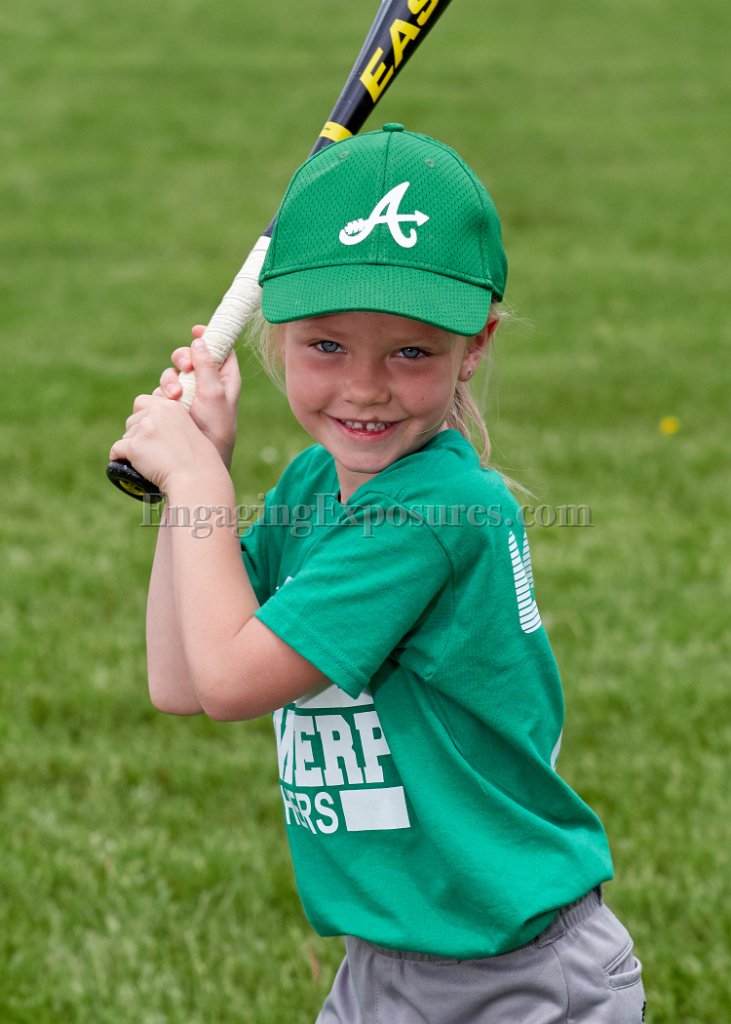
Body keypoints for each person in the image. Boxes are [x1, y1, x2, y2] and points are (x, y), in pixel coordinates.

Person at [110, 124, 646, 1023]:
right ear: (278, 335)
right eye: (326, 346)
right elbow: (182, 681)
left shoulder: (434, 514)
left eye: (409, 352)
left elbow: (234, 682)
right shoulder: (313, 484)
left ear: (474, 344)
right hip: (381, 969)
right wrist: (198, 474)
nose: (363, 387)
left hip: (513, 982)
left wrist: (200, 481)